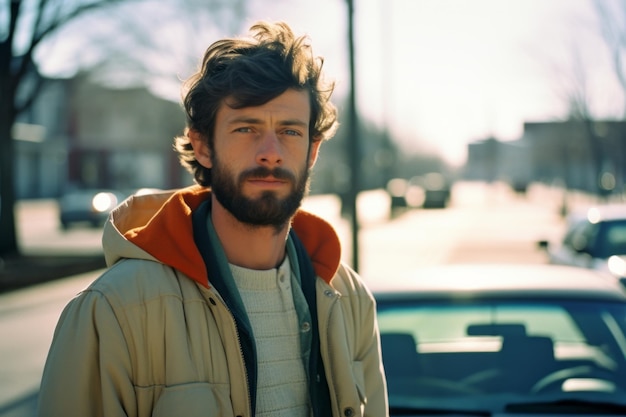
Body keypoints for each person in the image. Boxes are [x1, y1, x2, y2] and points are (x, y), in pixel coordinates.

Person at [38, 21, 388, 417]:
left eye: (290, 131)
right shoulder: (114, 311)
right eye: (246, 128)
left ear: (312, 151)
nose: (270, 152)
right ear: (203, 146)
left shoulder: (350, 299)